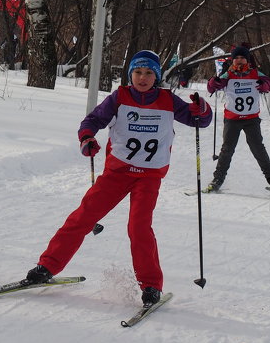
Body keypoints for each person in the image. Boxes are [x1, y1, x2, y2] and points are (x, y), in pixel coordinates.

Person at [23, 50, 211, 307]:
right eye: (137, 72)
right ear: (130, 74)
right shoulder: (119, 97)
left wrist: (203, 109)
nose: (142, 78)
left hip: (149, 177)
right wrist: (87, 138)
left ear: (155, 76)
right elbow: (92, 120)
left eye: (148, 73)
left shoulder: (168, 100)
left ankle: (151, 286)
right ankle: (46, 267)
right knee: (82, 217)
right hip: (117, 173)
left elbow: (199, 119)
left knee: (138, 227)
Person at [203, 46, 270, 193]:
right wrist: (214, 83)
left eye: (242, 58)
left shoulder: (254, 73)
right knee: (227, 150)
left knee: (258, 148)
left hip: (251, 119)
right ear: (233, 60)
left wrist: (264, 85)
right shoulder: (228, 74)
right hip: (232, 119)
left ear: (247, 59)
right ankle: (218, 179)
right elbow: (211, 87)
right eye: (236, 58)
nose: (239, 60)